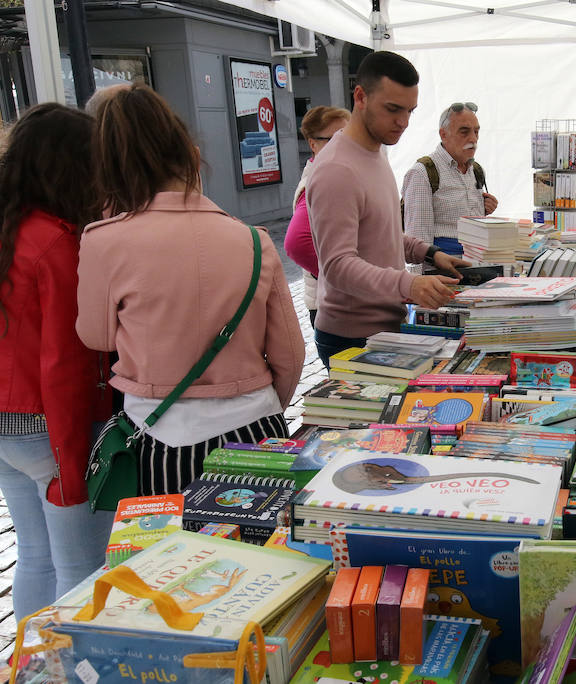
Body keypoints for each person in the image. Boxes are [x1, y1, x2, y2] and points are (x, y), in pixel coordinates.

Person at [77, 85, 304, 496]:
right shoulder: (253, 240)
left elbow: (98, 336)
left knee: (174, 558)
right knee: (267, 554)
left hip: (162, 436)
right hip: (257, 428)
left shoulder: (103, 240)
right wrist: (263, 403)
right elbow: (290, 353)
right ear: (189, 156)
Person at [0, 103, 114, 619]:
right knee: (80, 567)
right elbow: (65, 364)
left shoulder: (11, 231)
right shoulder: (57, 243)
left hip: (9, 424)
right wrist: (72, 464)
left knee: (37, 558)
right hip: (50, 427)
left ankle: (29, 668)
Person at [306, 51, 470, 367]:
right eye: (393, 109)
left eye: (410, 111)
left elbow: (382, 232)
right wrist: (407, 284)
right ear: (360, 97)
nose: (403, 122)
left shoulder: (374, 152)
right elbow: (338, 266)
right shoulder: (337, 169)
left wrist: (430, 253)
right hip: (353, 337)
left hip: (383, 328)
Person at [401, 101, 499, 267]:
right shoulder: (422, 173)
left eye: (476, 131)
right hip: (442, 272)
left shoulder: (475, 170)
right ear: (443, 134)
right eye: (464, 132)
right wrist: (421, 285)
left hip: (478, 267)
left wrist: (484, 208)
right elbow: (417, 240)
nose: (473, 139)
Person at [284, 106, 351, 329]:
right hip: (333, 305)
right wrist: (347, 280)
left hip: (338, 303)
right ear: (313, 144)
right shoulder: (316, 183)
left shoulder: (334, 175)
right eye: (334, 139)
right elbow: (297, 244)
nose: (344, 145)